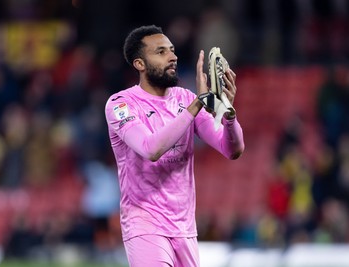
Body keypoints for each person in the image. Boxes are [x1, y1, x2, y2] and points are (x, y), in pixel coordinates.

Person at [104, 25, 245, 267]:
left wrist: (228, 116)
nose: (173, 56)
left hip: (184, 228)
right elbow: (151, 149)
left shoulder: (186, 99)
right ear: (140, 64)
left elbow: (231, 150)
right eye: (161, 52)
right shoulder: (121, 104)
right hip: (145, 224)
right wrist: (198, 105)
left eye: (172, 50)